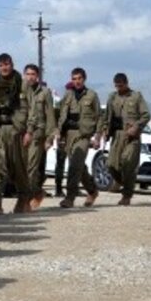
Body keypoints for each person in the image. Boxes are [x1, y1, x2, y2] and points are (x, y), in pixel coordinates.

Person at [0, 54, 31, 215]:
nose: (4, 68)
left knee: (17, 167)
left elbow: (32, 110)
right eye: (1, 65)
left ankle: (23, 198)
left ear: (12, 64)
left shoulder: (23, 85)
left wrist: (29, 131)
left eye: (7, 64)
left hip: (16, 130)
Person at [56, 68, 104, 208]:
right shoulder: (68, 95)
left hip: (83, 135)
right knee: (80, 167)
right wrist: (58, 133)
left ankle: (70, 197)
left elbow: (99, 117)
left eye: (79, 78)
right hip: (68, 135)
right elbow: (60, 114)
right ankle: (92, 190)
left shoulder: (92, 95)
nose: (76, 81)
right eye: (74, 79)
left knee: (75, 165)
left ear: (84, 79)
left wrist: (98, 137)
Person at [102, 73, 149, 206]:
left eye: (121, 86)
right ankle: (124, 182)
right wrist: (105, 130)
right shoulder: (112, 97)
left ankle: (127, 195)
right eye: (117, 86)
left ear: (126, 83)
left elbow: (146, 115)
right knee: (111, 164)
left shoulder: (136, 97)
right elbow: (107, 116)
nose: (119, 88)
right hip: (117, 135)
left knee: (128, 163)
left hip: (131, 136)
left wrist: (136, 127)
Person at [22, 64, 54, 209]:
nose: (30, 77)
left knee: (31, 168)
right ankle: (37, 192)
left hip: (37, 134)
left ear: (38, 76)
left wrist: (49, 138)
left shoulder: (44, 93)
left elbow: (50, 116)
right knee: (21, 168)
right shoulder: (21, 91)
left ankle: (27, 201)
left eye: (33, 74)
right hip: (22, 134)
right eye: (28, 74)